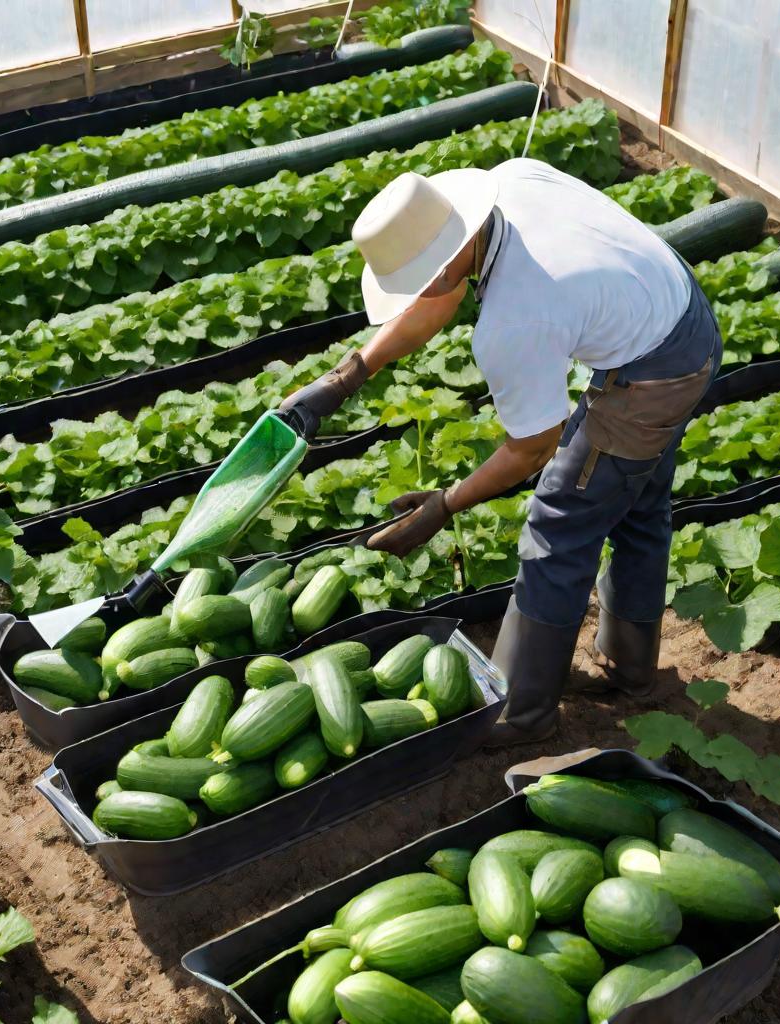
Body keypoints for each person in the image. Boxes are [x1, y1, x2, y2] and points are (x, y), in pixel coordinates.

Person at [279, 158, 722, 747]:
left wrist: (446, 503)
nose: (422, 292)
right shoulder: (509, 184)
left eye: (420, 278)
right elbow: (441, 290)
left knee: (559, 521)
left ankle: (523, 710)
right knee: (635, 503)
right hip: (679, 310)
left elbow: (534, 445)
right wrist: (347, 376)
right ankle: (630, 668)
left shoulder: (515, 320)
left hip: (655, 373)